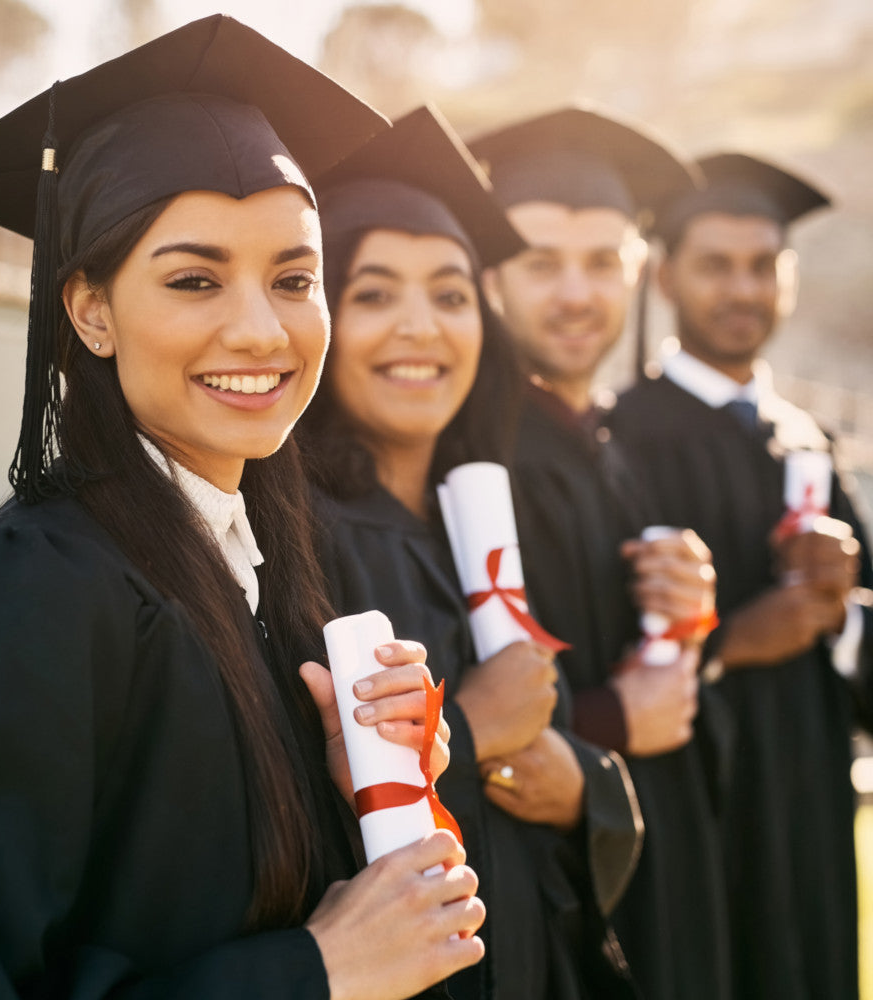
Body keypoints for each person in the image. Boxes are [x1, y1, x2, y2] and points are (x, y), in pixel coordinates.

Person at [0, 17, 488, 999]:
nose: (261, 330)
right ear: (91, 310)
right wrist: (316, 970)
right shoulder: (31, 594)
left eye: (294, 279)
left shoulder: (259, 574)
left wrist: (353, 789)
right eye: (195, 280)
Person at [298, 104, 644, 1000]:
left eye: (452, 295)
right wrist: (475, 732)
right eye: (374, 294)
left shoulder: (484, 524)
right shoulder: (297, 539)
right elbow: (281, 821)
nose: (422, 327)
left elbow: (556, 762)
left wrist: (588, 789)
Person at [468, 106, 731, 1000]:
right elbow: (454, 716)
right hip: (546, 914)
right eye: (541, 263)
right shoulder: (470, 457)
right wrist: (614, 720)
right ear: (492, 275)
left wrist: (688, 618)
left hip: (663, 888)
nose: (576, 294)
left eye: (602, 262)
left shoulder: (616, 449)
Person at [611, 151, 873, 1000]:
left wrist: (841, 616)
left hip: (814, 818)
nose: (743, 289)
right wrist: (729, 643)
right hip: (695, 826)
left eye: (764, 266)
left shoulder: (808, 440)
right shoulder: (621, 439)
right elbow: (596, 649)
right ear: (664, 277)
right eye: (716, 265)